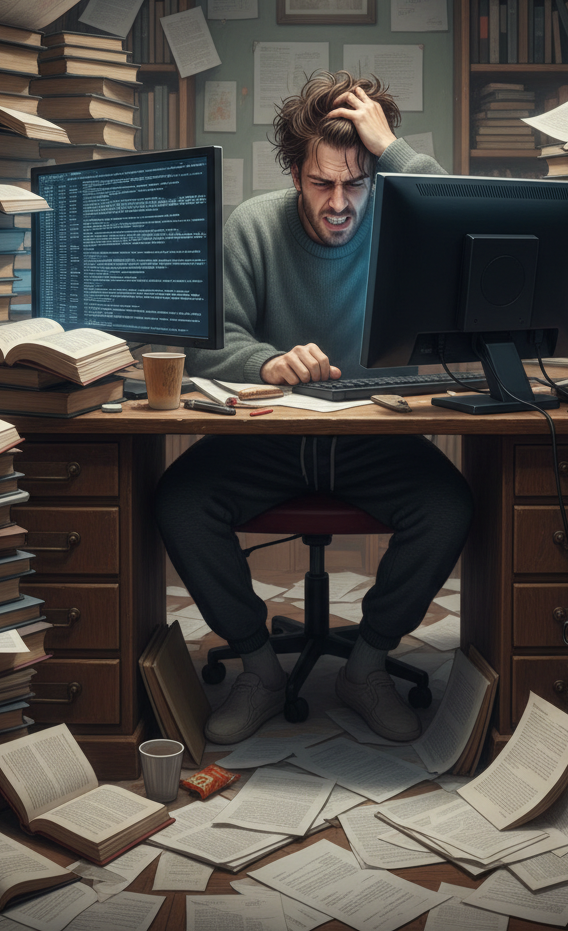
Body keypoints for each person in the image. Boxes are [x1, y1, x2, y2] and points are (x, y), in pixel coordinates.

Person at [153, 71, 473, 745]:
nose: (339, 204)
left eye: (356, 184)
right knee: (180, 502)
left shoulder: (404, 218)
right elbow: (209, 346)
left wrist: (393, 150)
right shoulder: (254, 226)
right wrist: (265, 363)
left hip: (374, 441)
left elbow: (457, 214)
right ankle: (262, 670)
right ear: (295, 173)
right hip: (268, 439)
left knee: (450, 506)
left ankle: (366, 665)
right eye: (322, 184)